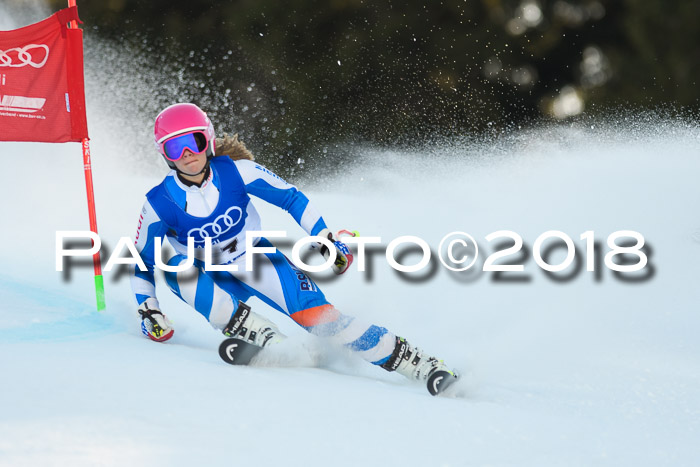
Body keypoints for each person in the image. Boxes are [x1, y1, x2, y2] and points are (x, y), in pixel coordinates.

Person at [130, 103, 458, 395]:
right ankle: (268, 340)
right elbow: (142, 261)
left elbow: (290, 197)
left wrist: (325, 236)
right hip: (205, 270)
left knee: (323, 319)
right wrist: (149, 308)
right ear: (165, 155)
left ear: (208, 140)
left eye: (194, 141)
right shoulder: (159, 202)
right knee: (174, 268)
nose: (187, 153)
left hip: (255, 257)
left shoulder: (236, 172)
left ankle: (419, 363)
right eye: (175, 147)